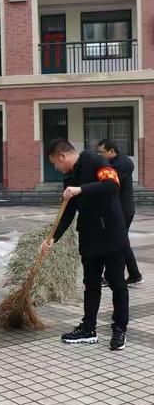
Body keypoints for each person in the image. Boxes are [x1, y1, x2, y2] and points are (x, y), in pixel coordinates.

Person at [41, 139, 129, 351]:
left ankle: (120, 329)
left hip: (112, 233)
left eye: (55, 163)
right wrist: (52, 238)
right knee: (90, 284)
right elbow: (68, 212)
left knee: (117, 283)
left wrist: (80, 189)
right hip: (89, 237)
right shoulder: (69, 178)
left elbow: (112, 185)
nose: (55, 168)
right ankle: (88, 328)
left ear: (62, 156)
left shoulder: (96, 161)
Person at [97, 139, 143, 286]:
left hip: (121, 210)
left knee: (114, 242)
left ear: (111, 151)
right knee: (122, 242)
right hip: (123, 209)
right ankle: (134, 275)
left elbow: (110, 186)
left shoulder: (119, 165)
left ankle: (111, 276)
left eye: (101, 152)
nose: (100, 155)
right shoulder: (118, 163)